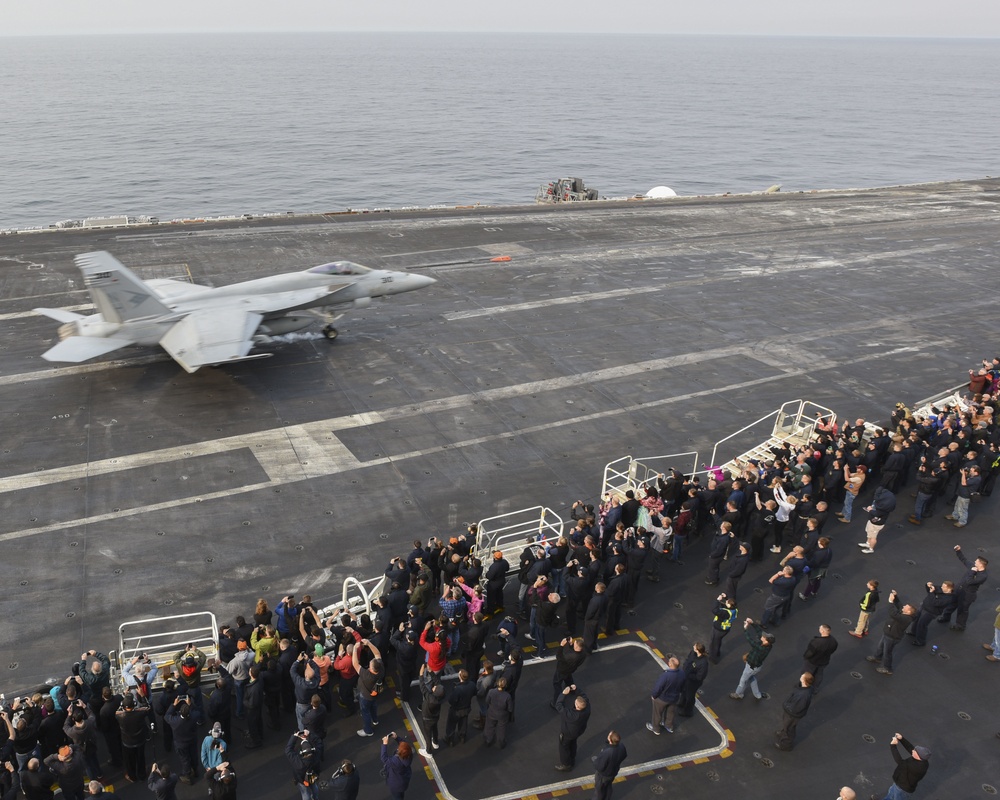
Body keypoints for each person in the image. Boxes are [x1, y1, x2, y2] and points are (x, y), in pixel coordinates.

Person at [866, 591, 918, 676]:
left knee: (887, 652)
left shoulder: (906, 618)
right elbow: (899, 604)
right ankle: (877, 657)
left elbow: (893, 614)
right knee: (881, 646)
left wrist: (890, 602)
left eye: (906, 607)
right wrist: (896, 596)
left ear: (908, 612)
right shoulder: (904, 612)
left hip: (892, 637)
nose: (904, 606)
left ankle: (887, 668)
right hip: (888, 633)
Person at [941, 546, 989, 631]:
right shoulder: (974, 566)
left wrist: (972, 571)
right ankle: (946, 617)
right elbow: (964, 560)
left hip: (967, 595)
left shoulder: (983, 576)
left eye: (976, 561)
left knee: (962, 610)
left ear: (981, 564)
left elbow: (969, 581)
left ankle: (960, 625)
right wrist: (958, 551)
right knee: (951, 604)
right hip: (958, 590)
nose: (974, 562)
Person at [729, 618, 774, 700]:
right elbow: (759, 631)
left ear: (766, 641)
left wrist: (745, 629)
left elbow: (750, 640)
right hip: (755, 667)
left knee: (743, 681)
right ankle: (758, 695)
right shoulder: (767, 644)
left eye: (764, 637)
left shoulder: (761, 648)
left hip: (751, 667)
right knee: (751, 678)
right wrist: (752, 623)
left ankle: (738, 694)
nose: (762, 636)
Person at [879, 733, 930, 799]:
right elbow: (910, 748)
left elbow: (899, 761)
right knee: (889, 796)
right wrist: (901, 739)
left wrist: (893, 746)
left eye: (915, 751)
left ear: (918, 756)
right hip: (898, 784)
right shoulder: (921, 759)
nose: (913, 750)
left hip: (903, 790)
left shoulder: (917, 767)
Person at [554, 685, 590, 771]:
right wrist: (577, 689)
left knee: (564, 746)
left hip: (568, 733)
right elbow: (585, 697)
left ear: (577, 706)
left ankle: (566, 764)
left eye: (576, 703)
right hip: (578, 731)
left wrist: (563, 694)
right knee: (573, 743)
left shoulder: (572, 715)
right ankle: (572, 758)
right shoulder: (587, 708)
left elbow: (559, 706)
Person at [774, 673, 814, 751]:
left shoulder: (803, 696)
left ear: (805, 681)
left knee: (789, 728)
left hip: (792, 715)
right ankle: (783, 733)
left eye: (803, 676)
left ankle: (786, 744)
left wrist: (786, 706)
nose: (801, 676)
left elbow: (797, 708)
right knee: (787, 725)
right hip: (791, 713)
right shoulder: (805, 689)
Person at [647, 656, 685, 735]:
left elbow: (659, 687)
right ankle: (669, 726)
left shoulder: (666, 676)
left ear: (670, 665)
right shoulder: (682, 673)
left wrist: (654, 695)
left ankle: (656, 728)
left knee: (657, 713)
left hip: (663, 699)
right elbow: (683, 685)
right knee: (670, 712)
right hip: (674, 698)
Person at [285, 731, 322, 800]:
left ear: (302, 752)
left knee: (305, 793)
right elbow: (319, 743)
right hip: (313, 776)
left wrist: (294, 736)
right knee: (314, 787)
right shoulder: (316, 756)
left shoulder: (298, 762)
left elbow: (288, 750)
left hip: (302, 780)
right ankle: (315, 798)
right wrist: (310, 734)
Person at [591, 730, 628, 800]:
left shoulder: (608, 753)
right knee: (608, 786)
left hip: (604, 775)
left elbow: (599, 766)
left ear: (610, 740)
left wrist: (596, 762)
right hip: (613, 772)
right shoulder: (621, 746)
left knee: (599, 790)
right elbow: (624, 755)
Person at [802, 624, 838, 691]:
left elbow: (809, 653)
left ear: (822, 631)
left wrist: (805, 657)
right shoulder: (834, 641)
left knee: (807, 673)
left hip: (813, 661)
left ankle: (805, 686)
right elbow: (833, 650)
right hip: (824, 661)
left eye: (820, 628)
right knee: (819, 675)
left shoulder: (816, 642)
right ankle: (815, 689)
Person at [482, 676, 514, 749]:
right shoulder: (507, 696)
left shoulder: (491, 692)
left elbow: (487, 701)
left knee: (489, 726)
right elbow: (510, 709)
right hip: (502, 715)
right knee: (501, 729)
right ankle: (501, 743)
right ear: (505, 686)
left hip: (491, 713)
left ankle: (488, 740)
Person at [679, 643, 709, 717]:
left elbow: (700, 677)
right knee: (683, 690)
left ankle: (688, 711)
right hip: (686, 677)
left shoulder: (703, 663)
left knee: (690, 696)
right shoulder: (693, 653)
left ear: (698, 650)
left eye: (694, 646)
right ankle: (681, 702)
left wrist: (688, 674)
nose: (693, 646)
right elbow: (688, 659)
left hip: (693, 682)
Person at [380, 734, 413, 800]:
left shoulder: (396, 762)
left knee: (397, 797)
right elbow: (405, 746)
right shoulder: (409, 755)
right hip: (403, 781)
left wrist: (384, 744)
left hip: (396, 784)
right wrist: (396, 738)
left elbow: (384, 758)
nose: (398, 748)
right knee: (400, 795)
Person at [708, 595, 738, 664]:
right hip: (725, 629)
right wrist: (726, 598)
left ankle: (713, 658)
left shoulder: (725, 613)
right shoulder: (734, 609)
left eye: (726, 602)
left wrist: (717, 600)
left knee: (714, 643)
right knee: (718, 641)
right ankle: (717, 653)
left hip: (719, 629)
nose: (725, 602)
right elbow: (728, 605)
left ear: (729, 606)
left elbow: (715, 610)